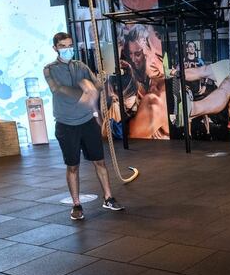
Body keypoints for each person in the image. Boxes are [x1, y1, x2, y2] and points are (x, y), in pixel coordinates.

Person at [43, 32, 125, 220]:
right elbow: (57, 89)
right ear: (55, 48)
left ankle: (108, 197)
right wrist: (82, 93)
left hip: (87, 121)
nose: (68, 49)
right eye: (63, 46)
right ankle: (77, 204)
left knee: (100, 161)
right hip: (66, 124)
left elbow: (96, 85)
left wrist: (96, 84)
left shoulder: (81, 66)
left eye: (70, 45)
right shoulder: (49, 69)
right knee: (72, 166)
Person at [120, 25, 168, 139]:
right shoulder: (130, 73)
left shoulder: (158, 86)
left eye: (138, 54)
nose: (133, 59)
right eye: (130, 54)